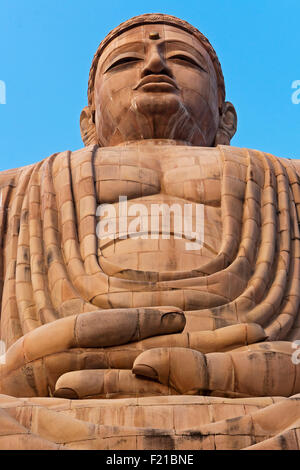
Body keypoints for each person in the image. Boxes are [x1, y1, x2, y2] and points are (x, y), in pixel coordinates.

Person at [0, 13, 299, 450]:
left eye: (182, 59)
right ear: (88, 122)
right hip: (41, 406)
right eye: (124, 62)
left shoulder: (287, 183)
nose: (155, 64)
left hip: (273, 401)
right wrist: (23, 367)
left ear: (225, 117)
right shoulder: (15, 190)